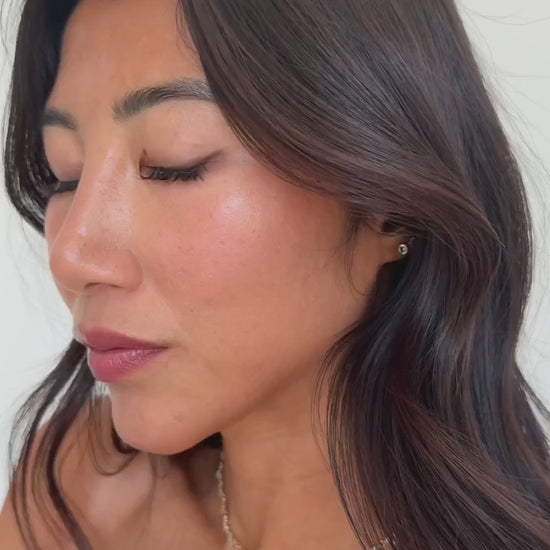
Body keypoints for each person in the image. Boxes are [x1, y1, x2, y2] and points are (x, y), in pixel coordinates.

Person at [1, 0, 549, 548]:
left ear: (389, 209)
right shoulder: (79, 491)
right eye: (65, 173)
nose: (71, 255)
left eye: (173, 165)